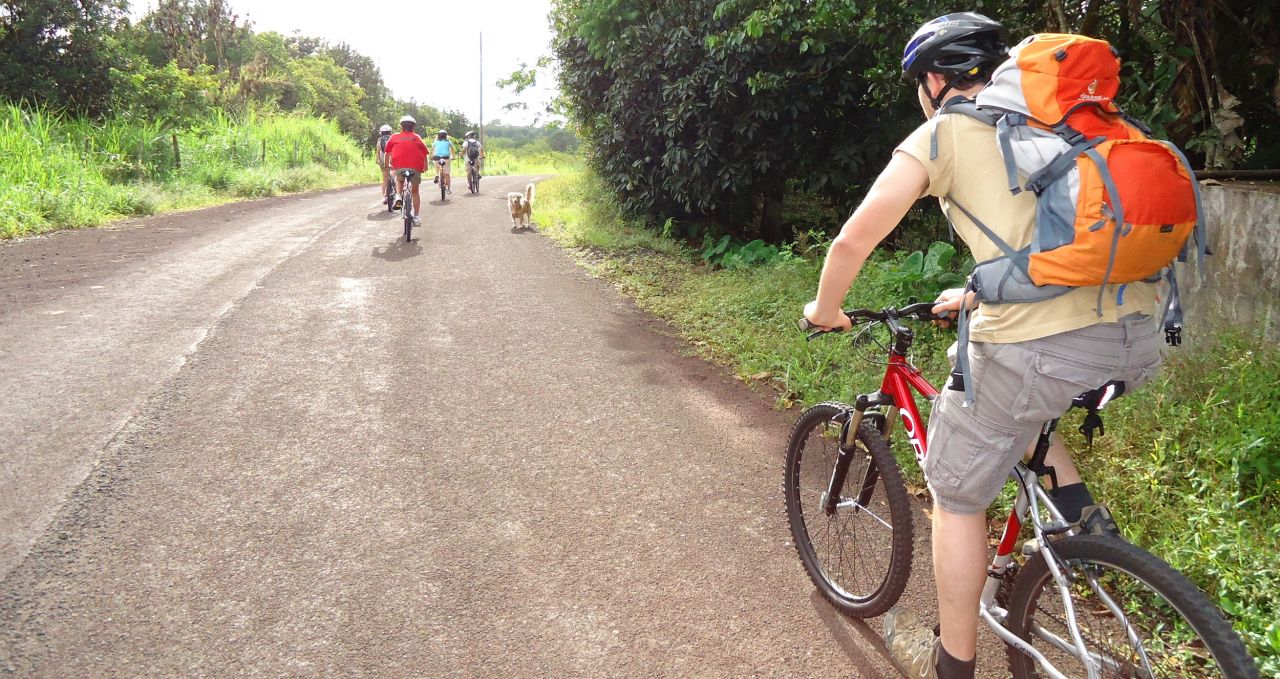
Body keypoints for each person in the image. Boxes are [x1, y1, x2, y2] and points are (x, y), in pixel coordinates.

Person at [801, 13, 1162, 679]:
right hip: (1138, 335)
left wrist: (824, 309)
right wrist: (972, 294)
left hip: (1042, 345)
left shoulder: (943, 133)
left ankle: (954, 663)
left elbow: (852, 240)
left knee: (958, 495)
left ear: (934, 80)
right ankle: (1088, 540)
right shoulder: (1061, 124)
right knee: (1023, 413)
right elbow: (1055, 245)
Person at [383, 115, 429, 226]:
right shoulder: (416, 137)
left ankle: (398, 196)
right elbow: (424, 152)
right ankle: (417, 217)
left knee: (399, 179)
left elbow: (387, 152)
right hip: (415, 166)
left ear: (401, 126)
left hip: (399, 165)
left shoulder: (394, 136)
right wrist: (425, 165)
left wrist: (386, 165)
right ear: (413, 127)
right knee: (415, 192)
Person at [375, 124, 394, 203]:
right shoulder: (392, 139)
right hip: (392, 161)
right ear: (390, 132)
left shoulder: (379, 141)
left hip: (382, 162)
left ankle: (385, 197)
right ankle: (397, 193)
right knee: (395, 176)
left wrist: (377, 161)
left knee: (384, 179)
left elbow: (378, 152)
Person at [431, 129, 453, 194]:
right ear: (446, 136)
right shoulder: (448, 141)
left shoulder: (435, 142)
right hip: (445, 158)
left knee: (437, 168)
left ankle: (437, 174)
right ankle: (448, 189)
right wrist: (453, 156)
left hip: (436, 157)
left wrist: (431, 156)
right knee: (447, 174)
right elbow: (452, 149)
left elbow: (433, 149)